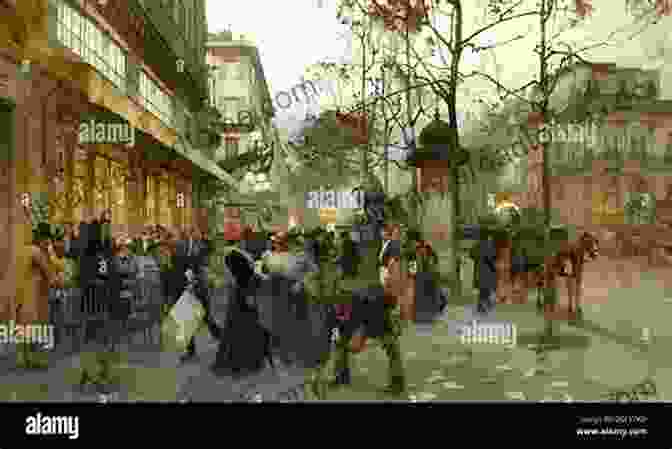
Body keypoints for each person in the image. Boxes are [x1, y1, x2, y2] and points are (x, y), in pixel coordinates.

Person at [332, 229, 413, 395]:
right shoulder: (373, 253)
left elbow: (394, 279)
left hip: (371, 301)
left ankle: (396, 382)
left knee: (386, 343)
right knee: (347, 340)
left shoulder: (381, 253)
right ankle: (343, 375)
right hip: (367, 299)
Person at [16, 222, 64, 368]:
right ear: (43, 239)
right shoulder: (37, 252)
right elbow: (51, 274)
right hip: (34, 297)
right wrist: (61, 279)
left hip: (22, 295)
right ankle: (33, 359)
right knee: (35, 329)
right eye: (48, 239)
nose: (49, 243)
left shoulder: (24, 250)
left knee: (24, 329)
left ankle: (23, 358)